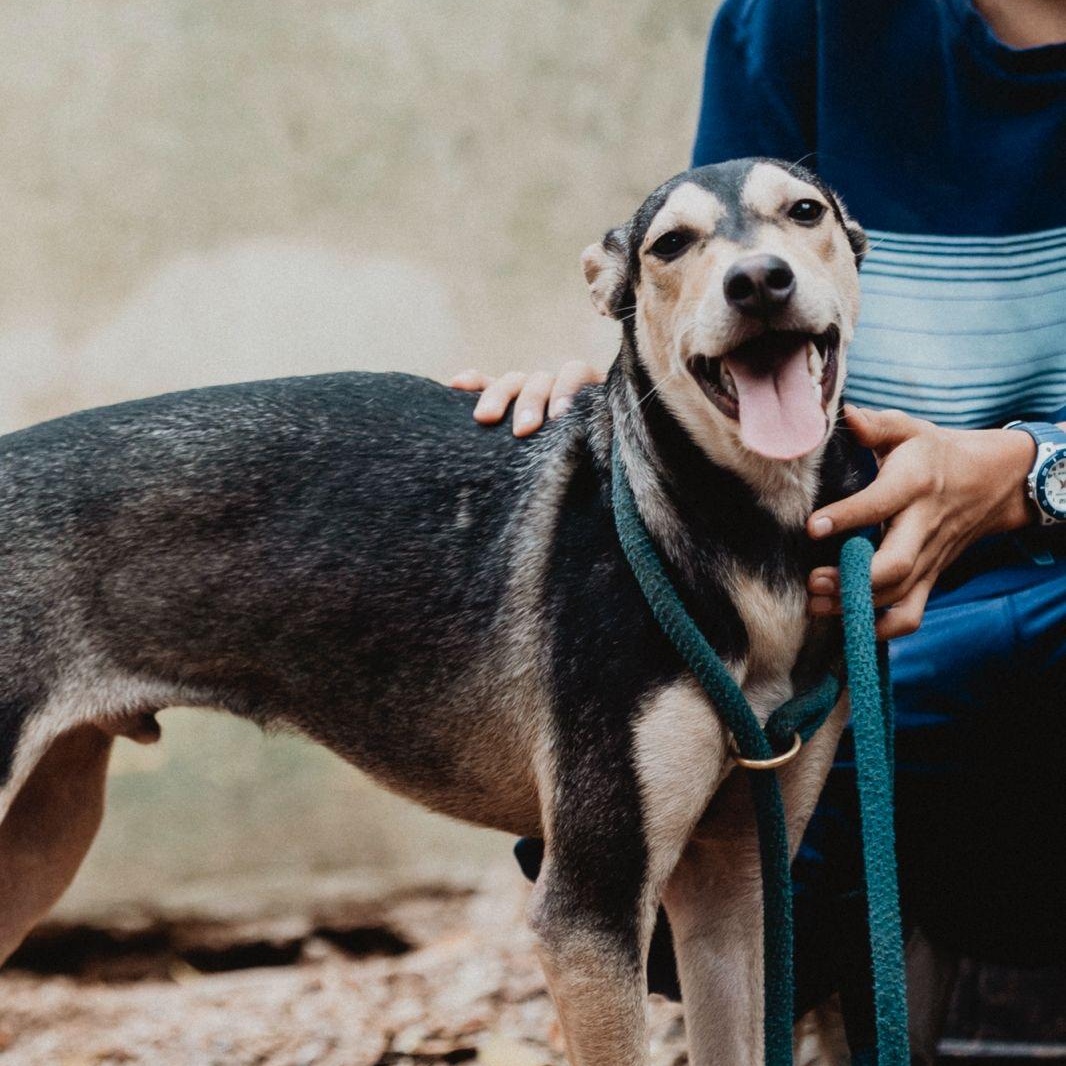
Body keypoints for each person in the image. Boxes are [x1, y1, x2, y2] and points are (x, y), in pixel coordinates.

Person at [452, 0, 1066, 1054]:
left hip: (1021, 600)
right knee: (650, 811)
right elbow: (712, 292)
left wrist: (1029, 475)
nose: (763, 257)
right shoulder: (796, 21)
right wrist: (614, 408)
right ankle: (889, 980)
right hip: (844, 609)